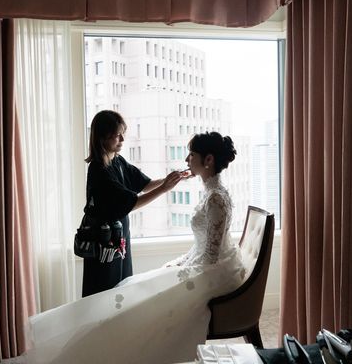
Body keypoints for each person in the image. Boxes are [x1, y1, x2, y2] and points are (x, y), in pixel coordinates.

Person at [25, 131, 243, 364]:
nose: (186, 159)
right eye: (117, 134)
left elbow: (209, 256)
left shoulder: (215, 198)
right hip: (111, 243)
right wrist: (179, 264)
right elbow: (202, 246)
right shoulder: (211, 194)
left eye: (191, 154)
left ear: (208, 160)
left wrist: (180, 270)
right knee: (137, 291)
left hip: (212, 272)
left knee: (147, 299)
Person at [82, 110, 187, 297]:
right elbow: (133, 203)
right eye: (117, 135)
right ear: (103, 137)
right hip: (103, 241)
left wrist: (171, 179)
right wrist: (164, 188)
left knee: (121, 287)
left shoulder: (117, 161)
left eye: (123, 133)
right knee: (104, 292)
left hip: (119, 236)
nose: (122, 139)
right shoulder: (99, 170)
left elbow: (145, 185)